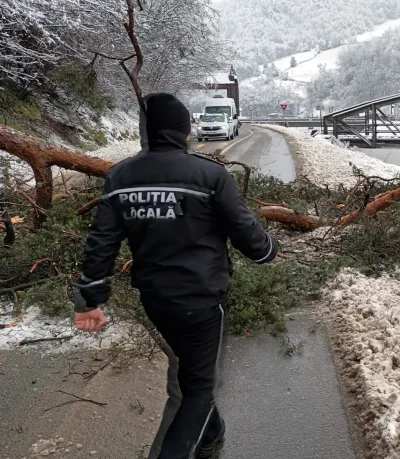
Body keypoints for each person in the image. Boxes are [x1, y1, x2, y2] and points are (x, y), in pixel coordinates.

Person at [70, 93, 278, 459]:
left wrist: (91, 298)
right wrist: (268, 248)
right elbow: (248, 236)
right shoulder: (209, 175)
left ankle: (211, 437)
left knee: (188, 370)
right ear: (185, 132)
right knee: (199, 388)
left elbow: (101, 241)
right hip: (202, 301)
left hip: (155, 300)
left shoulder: (120, 176)